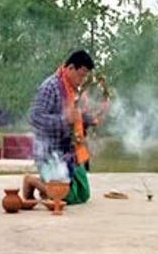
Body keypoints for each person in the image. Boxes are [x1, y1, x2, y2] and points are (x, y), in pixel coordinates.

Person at [23, 50, 98, 204]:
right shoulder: (50, 87)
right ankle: (32, 181)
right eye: (81, 75)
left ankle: (47, 189)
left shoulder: (75, 91)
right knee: (64, 197)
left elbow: (76, 118)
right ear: (70, 68)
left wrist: (89, 119)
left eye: (85, 77)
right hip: (51, 152)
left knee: (83, 194)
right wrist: (64, 119)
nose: (82, 81)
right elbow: (35, 117)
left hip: (71, 150)